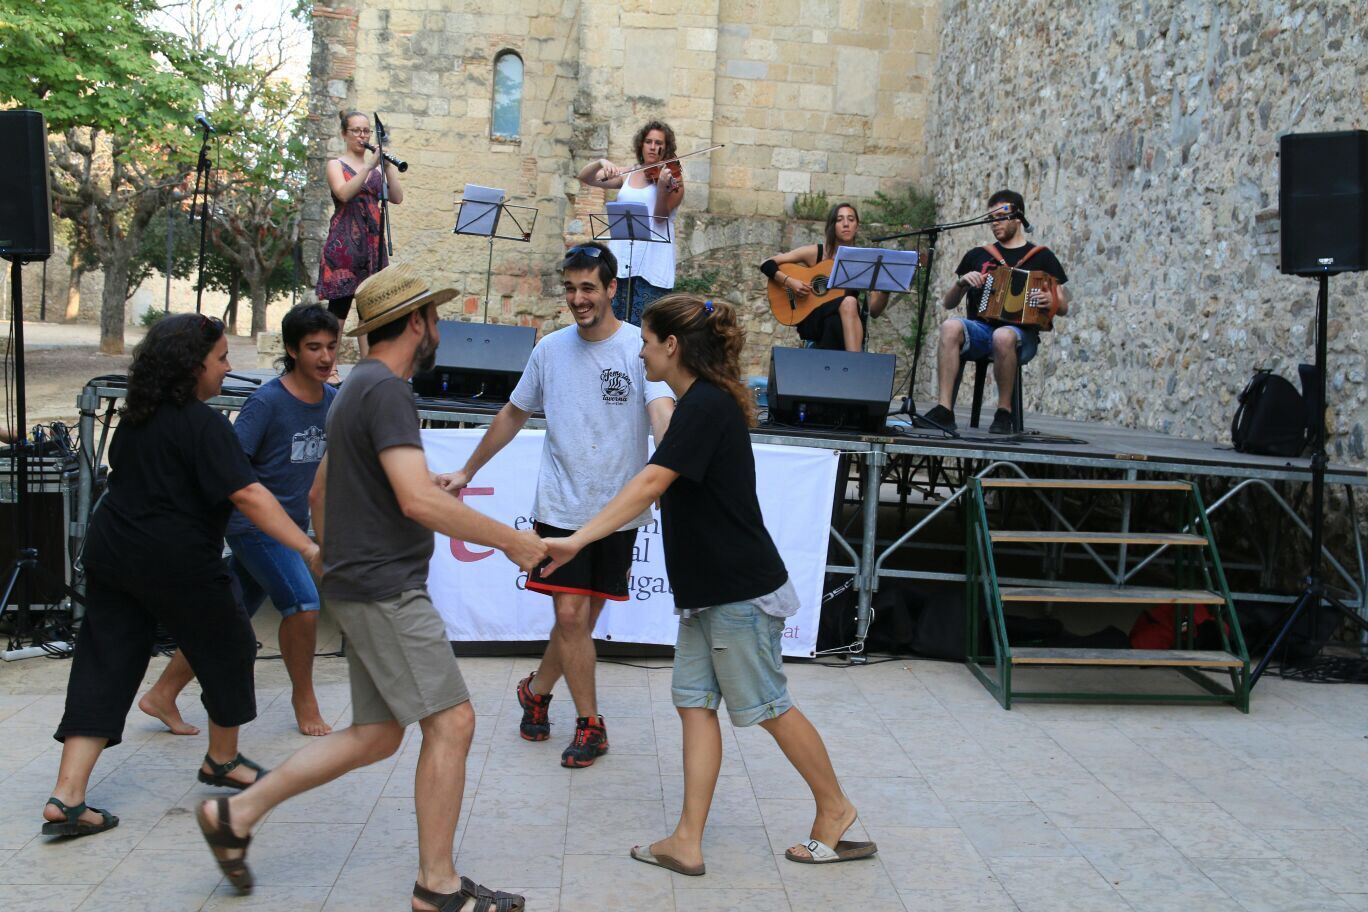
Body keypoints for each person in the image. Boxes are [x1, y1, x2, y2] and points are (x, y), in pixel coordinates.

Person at [195, 263, 545, 911]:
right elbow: (414, 501)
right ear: (416, 323)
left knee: (377, 735)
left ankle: (236, 814)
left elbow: (325, 490)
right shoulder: (387, 392)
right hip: (386, 588)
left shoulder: (353, 387)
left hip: (360, 584)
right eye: (434, 317)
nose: (439, 328)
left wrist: (332, 565)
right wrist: (513, 539)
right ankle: (436, 887)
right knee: (453, 721)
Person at [541, 293, 876, 875]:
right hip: (706, 595)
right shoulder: (696, 403)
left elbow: (648, 484)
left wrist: (577, 539)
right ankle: (687, 840)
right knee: (694, 707)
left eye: (646, 342)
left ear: (672, 347)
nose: (640, 353)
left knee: (770, 708)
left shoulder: (704, 408)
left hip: (737, 594)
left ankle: (835, 809)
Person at [41, 314, 322, 838]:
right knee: (233, 644)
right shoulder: (203, 423)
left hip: (113, 551)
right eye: (220, 358)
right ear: (193, 368)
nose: (227, 366)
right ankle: (221, 759)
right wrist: (306, 545)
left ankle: (68, 796)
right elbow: (249, 493)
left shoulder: (138, 414)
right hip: (173, 558)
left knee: (106, 660)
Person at [437, 241, 674, 768]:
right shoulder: (549, 349)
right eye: (570, 288)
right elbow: (512, 414)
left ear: (613, 289)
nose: (578, 298)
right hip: (560, 507)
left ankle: (536, 690)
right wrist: (467, 471)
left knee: (580, 622)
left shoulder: (641, 348)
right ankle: (591, 724)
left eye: (588, 287)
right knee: (570, 615)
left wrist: (681, 464)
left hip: (618, 513)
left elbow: (661, 414)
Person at [137, 305, 340, 738]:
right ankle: (304, 700)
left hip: (289, 527)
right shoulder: (265, 402)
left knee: (222, 618)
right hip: (255, 528)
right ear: (291, 349)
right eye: (313, 347)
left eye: (331, 346)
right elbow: (231, 468)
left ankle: (163, 694)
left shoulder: (333, 402)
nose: (325, 357)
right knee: (304, 605)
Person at [916, 189, 1070, 435]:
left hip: (1023, 336)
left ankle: (1004, 412)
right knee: (950, 326)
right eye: (991, 218)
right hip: (982, 330)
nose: (994, 223)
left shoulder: (1042, 257)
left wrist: (1051, 299)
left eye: (1000, 217)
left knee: (1004, 336)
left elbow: (1063, 307)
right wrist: (961, 283)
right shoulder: (979, 255)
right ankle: (944, 410)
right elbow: (948, 303)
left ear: (1018, 218)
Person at [576, 119, 684, 325]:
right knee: (613, 326)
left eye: (659, 143)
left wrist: (661, 189)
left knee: (643, 331)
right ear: (641, 145)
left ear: (666, 147)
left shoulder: (672, 178)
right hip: (622, 262)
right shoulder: (628, 174)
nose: (653, 147)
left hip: (651, 265)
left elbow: (661, 220)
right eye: (649, 141)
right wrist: (601, 162)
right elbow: (585, 178)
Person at [316, 110, 404, 357]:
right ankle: (330, 367)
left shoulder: (376, 171)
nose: (362, 135)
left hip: (372, 245)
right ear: (344, 133)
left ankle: (368, 368)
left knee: (371, 311)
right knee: (339, 310)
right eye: (356, 130)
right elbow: (344, 193)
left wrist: (387, 168)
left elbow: (396, 197)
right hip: (344, 245)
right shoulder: (336, 164)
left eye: (366, 130)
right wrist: (368, 166)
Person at [759, 202, 891, 352]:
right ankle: (856, 366)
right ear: (832, 226)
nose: (846, 224)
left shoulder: (865, 262)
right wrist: (790, 282)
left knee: (840, 314)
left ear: (857, 226)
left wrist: (886, 290)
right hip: (814, 319)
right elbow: (766, 263)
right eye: (840, 219)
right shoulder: (816, 252)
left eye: (851, 219)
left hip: (845, 321)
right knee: (848, 302)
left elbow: (874, 311)